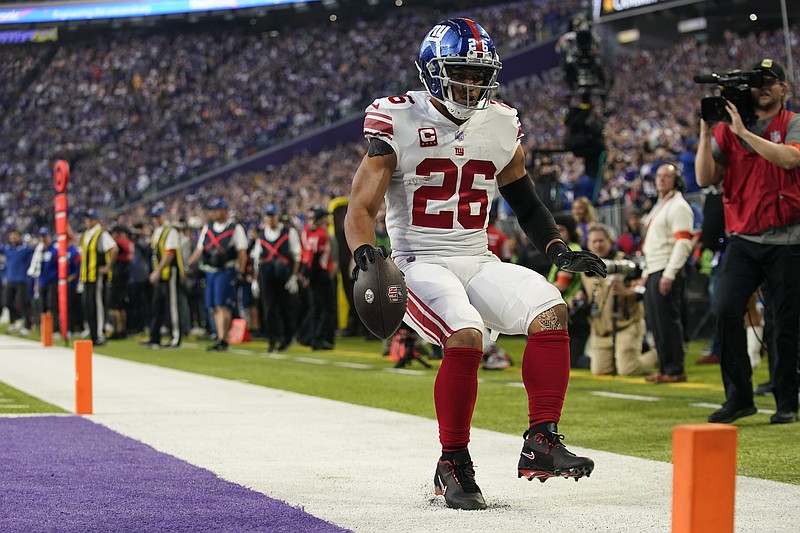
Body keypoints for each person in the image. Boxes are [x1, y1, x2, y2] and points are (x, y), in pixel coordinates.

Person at [344, 18, 606, 511]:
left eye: (478, 73)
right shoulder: (396, 117)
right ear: (432, 70)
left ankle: (542, 440)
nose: (471, 84)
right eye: (460, 72)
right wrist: (364, 253)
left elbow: (525, 200)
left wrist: (556, 247)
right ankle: (453, 462)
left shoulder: (501, 121)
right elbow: (361, 207)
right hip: (418, 259)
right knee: (463, 335)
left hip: (476, 255)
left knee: (551, 309)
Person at [696, 58, 800, 424]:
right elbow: (706, 177)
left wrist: (742, 133)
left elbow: (788, 159)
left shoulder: (792, 122)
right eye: (757, 82)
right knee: (725, 310)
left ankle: (788, 401)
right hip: (742, 236)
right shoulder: (727, 130)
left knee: (783, 322)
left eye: (771, 81)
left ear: (785, 89)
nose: (763, 87)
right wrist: (707, 132)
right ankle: (739, 398)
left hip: (788, 238)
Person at [580, 224, 657, 376]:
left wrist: (627, 292)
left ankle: (659, 353)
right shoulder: (585, 267)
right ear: (588, 244)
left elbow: (643, 290)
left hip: (626, 325)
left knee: (628, 370)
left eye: (601, 241)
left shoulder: (626, 262)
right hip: (601, 329)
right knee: (600, 371)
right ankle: (620, 357)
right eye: (593, 242)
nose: (598, 245)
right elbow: (586, 293)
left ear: (610, 241)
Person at [641, 164, 693, 383]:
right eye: (659, 176)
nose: (661, 180)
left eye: (667, 176)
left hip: (665, 267)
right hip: (654, 268)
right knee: (656, 322)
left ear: (676, 180)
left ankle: (675, 368)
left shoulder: (679, 206)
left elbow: (683, 243)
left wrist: (670, 273)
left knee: (668, 320)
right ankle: (665, 367)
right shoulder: (661, 205)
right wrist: (646, 270)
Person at [186, 199, 248, 352]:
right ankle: (219, 335)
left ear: (224, 211)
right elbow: (200, 249)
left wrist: (241, 270)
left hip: (226, 270)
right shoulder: (208, 228)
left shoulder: (234, 228)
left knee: (222, 305)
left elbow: (242, 251)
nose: (213, 213)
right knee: (214, 306)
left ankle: (222, 337)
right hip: (210, 271)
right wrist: (188, 265)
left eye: (216, 210)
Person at [251, 203, 301, 352]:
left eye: (272, 215)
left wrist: (294, 276)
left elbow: (297, 255)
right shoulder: (260, 236)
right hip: (267, 277)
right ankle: (272, 340)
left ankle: (287, 338)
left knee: (285, 308)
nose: (270, 219)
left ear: (277, 217)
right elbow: (257, 260)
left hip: (283, 277)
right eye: (268, 216)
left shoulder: (288, 232)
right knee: (269, 309)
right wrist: (255, 279)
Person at [142, 205, 184, 348]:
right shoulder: (158, 232)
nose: (156, 220)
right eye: (154, 217)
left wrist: (158, 271)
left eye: (157, 216)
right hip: (160, 273)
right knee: (157, 305)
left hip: (169, 272)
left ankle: (175, 337)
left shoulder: (170, 231)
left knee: (172, 305)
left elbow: (169, 253)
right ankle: (155, 337)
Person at [77, 209, 118, 346]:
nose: (86, 221)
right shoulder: (87, 234)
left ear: (96, 220)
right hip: (87, 276)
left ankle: (99, 334)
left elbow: (113, 249)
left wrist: (107, 267)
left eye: (89, 218)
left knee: (97, 306)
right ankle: (93, 333)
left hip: (97, 276)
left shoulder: (101, 234)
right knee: (88, 306)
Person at [301, 206, 337, 351]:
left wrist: (306, 274)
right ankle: (319, 339)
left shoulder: (307, 232)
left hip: (311, 272)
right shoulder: (322, 234)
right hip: (320, 273)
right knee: (326, 309)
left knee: (316, 308)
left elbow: (307, 254)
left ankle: (313, 337)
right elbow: (316, 256)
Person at [1, 229, 35, 335]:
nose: (12, 238)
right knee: (6, 302)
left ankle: (27, 326)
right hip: (10, 280)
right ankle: (15, 321)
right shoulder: (7, 249)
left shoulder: (25, 249)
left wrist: (34, 242)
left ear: (19, 237)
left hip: (22, 280)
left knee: (22, 303)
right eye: (11, 236)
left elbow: (35, 248)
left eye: (15, 236)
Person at [109, 225, 135, 339]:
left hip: (119, 273)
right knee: (122, 305)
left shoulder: (118, 242)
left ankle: (117, 330)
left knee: (114, 305)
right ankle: (123, 330)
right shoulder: (129, 242)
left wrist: (108, 265)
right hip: (126, 274)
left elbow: (114, 250)